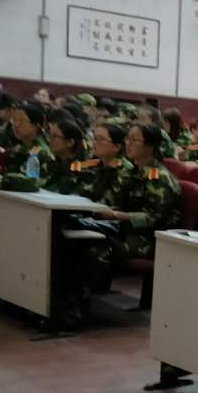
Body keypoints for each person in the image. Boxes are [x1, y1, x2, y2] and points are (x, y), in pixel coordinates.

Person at [90, 123, 182, 280]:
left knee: (97, 249)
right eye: (127, 139)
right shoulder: (131, 172)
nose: (128, 143)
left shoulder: (160, 177)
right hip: (124, 230)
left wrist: (116, 215)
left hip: (151, 238)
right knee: (81, 238)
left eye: (134, 140)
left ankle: (89, 292)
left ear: (150, 146)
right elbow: (112, 199)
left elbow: (154, 218)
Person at [43, 118, 96, 196]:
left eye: (55, 136)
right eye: (50, 135)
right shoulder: (54, 162)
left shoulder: (83, 169)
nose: (50, 139)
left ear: (70, 142)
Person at [6, 101, 56, 180]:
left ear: (36, 126)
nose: (16, 125)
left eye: (22, 121)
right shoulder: (22, 146)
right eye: (14, 120)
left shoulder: (40, 150)